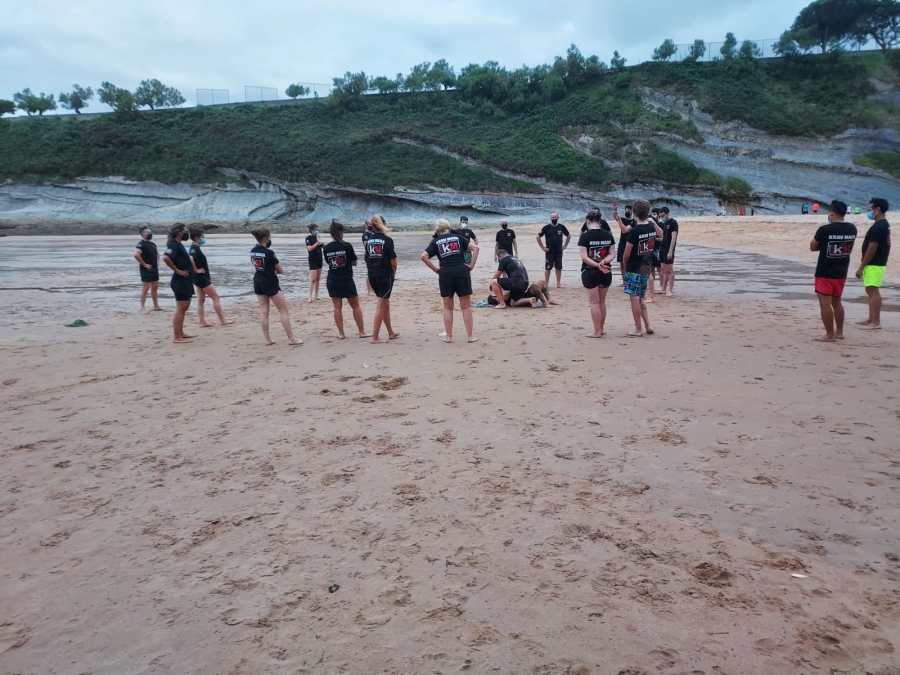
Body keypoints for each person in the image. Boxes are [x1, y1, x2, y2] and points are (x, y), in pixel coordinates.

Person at [421, 219, 479, 343]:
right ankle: (470, 336)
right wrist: (471, 265)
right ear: (448, 227)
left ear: (437, 230)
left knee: (447, 307)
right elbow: (475, 248)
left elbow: (423, 256)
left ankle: (449, 336)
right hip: (461, 271)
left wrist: (436, 269)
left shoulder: (436, 241)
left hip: (445, 273)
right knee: (466, 306)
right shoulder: (457, 237)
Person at [810, 200, 857, 342]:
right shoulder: (852, 228)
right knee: (837, 303)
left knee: (825, 304)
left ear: (832, 212)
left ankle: (829, 334)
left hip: (825, 271)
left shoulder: (824, 229)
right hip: (841, 270)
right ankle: (840, 332)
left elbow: (813, 246)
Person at [616, 200, 661, 337]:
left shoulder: (635, 231)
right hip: (646, 266)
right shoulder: (651, 227)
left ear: (634, 212)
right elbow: (661, 234)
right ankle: (648, 325)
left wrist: (624, 266)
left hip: (634, 267)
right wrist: (653, 221)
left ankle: (638, 328)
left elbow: (626, 253)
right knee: (641, 297)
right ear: (647, 212)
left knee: (634, 298)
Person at [250, 227, 302, 346]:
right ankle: (291, 338)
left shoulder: (253, 250)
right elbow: (280, 269)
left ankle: (267, 339)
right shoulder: (269, 253)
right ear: (265, 237)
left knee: (264, 312)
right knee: (283, 310)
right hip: (270, 282)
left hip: (258, 281)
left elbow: (258, 266)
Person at [325, 221, 368, 339]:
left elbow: (328, 262)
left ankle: (341, 333)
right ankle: (361, 332)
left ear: (331, 234)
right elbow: (354, 262)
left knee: (337, 307)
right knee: (355, 306)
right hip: (346, 279)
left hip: (332, 279)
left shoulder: (326, 248)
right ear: (341, 232)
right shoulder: (347, 246)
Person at [579, 209, 615, 337]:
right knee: (602, 302)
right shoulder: (608, 234)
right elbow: (612, 254)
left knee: (594, 302)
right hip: (606, 270)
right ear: (600, 221)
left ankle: (597, 331)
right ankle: (602, 328)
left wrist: (596, 265)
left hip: (590, 271)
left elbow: (584, 257)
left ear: (588, 221)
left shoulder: (585, 236)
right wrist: (603, 262)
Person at [855, 197, 891, 330]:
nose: (870, 211)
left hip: (875, 263)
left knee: (873, 290)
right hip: (877, 262)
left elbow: (872, 247)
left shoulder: (879, 226)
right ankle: (871, 319)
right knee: (870, 289)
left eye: (871, 208)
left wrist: (861, 266)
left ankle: (875, 322)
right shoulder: (883, 224)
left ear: (878, 209)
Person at [188, 227, 231, 328]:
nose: (203, 238)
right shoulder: (194, 248)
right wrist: (196, 270)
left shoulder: (195, 247)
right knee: (215, 297)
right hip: (201, 278)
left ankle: (202, 322)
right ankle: (223, 320)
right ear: (197, 237)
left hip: (198, 278)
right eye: (202, 236)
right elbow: (190, 258)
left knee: (201, 300)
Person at [365, 215, 399, 343]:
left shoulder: (369, 241)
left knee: (385, 303)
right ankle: (375, 336)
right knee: (381, 304)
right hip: (385, 275)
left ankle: (390, 332)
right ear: (383, 224)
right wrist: (393, 274)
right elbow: (393, 261)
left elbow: (367, 260)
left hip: (372, 275)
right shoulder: (387, 240)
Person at [161, 223, 195, 343]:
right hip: (180, 281)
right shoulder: (173, 244)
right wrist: (178, 271)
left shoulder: (178, 244)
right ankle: (177, 337)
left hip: (185, 280)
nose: (187, 232)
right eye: (185, 230)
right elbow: (165, 258)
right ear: (179, 232)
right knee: (181, 308)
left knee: (184, 307)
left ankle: (181, 333)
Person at [537, 212, 571, 288]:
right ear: (550, 218)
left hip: (559, 251)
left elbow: (569, 236)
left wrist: (565, 246)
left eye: (555, 217)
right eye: (552, 217)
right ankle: (546, 284)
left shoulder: (562, 227)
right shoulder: (546, 228)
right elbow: (538, 237)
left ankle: (558, 283)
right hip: (549, 252)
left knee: (558, 267)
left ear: (558, 217)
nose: (554, 219)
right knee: (548, 268)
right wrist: (542, 247)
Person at [133, 226, 161, 311]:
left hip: (154, 269)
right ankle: (142, 307)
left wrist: (157, 263)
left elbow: (157, 254)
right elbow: (136, 254)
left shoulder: (153, 244)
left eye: (150, 231)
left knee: (155, 287)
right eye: (147, 232)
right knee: (146, 287)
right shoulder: (141, 244)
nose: (150, 233)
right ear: (142, 234)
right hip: (146, 269)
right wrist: (144, 264)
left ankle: (156, 306)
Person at [657, 207, 679, 297]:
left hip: (669, 249)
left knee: (669, 270)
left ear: (667, 213)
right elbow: (665, 238)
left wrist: (670, 251)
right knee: (663, 269)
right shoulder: (664, 223)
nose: (662, 218)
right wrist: (657, 239)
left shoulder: (673, 223)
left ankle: (670, 289)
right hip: (662, 249)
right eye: (660, 216)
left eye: (663, 216)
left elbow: (673, 238)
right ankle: (663, 288)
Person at [616, 205, 635, 282]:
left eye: (629, 209)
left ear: (632, 211)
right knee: (621, 262)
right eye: (626, 209)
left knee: (628, 262)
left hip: (630, 243)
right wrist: (615, 211)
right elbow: (616, 217)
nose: (627, 211)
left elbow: (625, 230)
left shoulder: (634, 221)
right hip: (622, 243)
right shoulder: (622, 219)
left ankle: (629, 280)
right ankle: (624, 281)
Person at [305, 223, 324, 302]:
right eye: (315, 229)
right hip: (312, 259)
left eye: (317, 229)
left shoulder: (317, 238)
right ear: (312, 230)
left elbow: (322, 246)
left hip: (319, 258)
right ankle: (310, 296)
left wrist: (321, 243)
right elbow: (309, 249)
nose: (316, 231)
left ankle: (316, 295)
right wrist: (317, 243)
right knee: (313, 279)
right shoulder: (308, 238)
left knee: (318, 279)